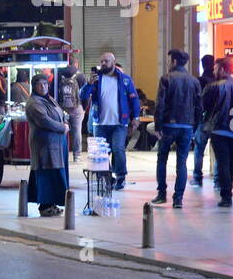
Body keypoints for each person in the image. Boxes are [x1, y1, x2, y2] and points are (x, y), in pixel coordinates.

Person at [79, 52, 141, 191]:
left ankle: (120, 177)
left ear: (114, 62)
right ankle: (106, 177)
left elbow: (134, 99)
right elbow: (82, 95)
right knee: (101, 154)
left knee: (118, 149)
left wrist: (136, 117)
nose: (103, 64)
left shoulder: (125, 80)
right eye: (101, 61)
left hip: (119, 123)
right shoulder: (95, 80)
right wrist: (88, 84)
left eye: (106, 61)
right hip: (100, 123)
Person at [150, 49, 202, 209]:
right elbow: (199, 107)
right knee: (182, 162)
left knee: (162, 158)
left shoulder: (166, 78)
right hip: (186, 126)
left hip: (168, 125)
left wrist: (158, 125)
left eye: (168, 60)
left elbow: (160, 103)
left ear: (173, 61)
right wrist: (194, 126)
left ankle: (161, 194)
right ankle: (178, 198)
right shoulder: (194, 81)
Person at [202, 57, 233, 207]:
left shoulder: (213, 87)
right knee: (231, 163)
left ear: (222, 69)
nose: (214, 71)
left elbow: (204, 106)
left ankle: (226, 196)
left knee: (222, 162)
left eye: (216, 69)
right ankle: (228, 190)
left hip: (219, 130)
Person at [25, 73, 69, 216]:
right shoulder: (34, 103)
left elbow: (60, 114)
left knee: (55, 174)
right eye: (39, 84)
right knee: (46, 174)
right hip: (44, 145)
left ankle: (52, 203)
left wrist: (65, 123)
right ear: (34, 87)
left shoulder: (49, 99)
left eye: (45, 84)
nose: (43, 87)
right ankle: (45, 206)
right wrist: (63, 127)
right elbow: (44, 120)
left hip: (56, 143)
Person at [192, 54, 217, 185]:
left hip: (203, 119)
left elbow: (196, 101)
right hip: (217, 119)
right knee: (217, 151)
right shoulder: (218, 80)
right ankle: (217, 180)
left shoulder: (200, 80)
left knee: (199, 149)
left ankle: (197, 177)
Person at [58, 62, 86, 161]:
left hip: (61, 108)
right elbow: (85, 93)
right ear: (76, 63)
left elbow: (53, 91)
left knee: (60, 130)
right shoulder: (81, 75)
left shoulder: (58, 73)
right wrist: (84, 108)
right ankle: (76, 156)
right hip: (76, 108)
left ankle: (60, 154)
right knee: (77, 131)